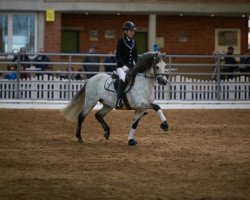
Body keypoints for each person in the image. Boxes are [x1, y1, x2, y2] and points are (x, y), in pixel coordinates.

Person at [115, 21, 138, 109]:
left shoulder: (134, 42)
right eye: (130, 31)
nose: (132, 32)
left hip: (131, 66)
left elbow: (135, 56)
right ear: (125, 31)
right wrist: (123, 65)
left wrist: (138, 65)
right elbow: (118, 55)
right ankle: (118, 100)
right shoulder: (121, 41)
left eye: (133, 31)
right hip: (121, 66)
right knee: (123, 78)